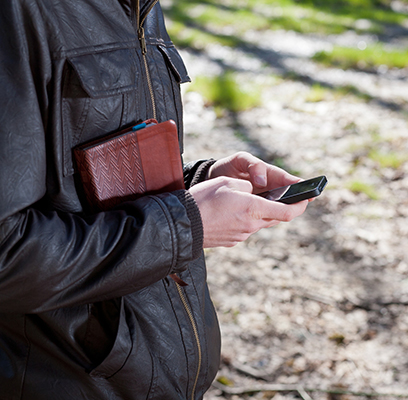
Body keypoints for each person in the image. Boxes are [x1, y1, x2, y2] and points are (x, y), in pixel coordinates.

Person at [0, 1, 309, 399]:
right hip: (62, 380)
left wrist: (200, 180)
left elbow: (79, 181)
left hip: (154, 378)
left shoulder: (143, 6)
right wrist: (188, 222)